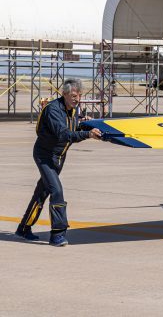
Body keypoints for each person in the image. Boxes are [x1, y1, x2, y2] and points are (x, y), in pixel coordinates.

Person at [16, 79, 102, 246]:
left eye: (79, 95)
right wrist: (88, 134)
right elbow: (64, 134)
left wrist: (85, 125)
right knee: (57, 191)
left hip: (59, 157)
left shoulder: (72, 109)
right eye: (74, 96)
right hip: (45, 156)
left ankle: (23, 228)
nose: (77, 99)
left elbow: (72, 128)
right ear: (65, 94)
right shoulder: (53, 110)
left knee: (41, 193)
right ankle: (57, 234)